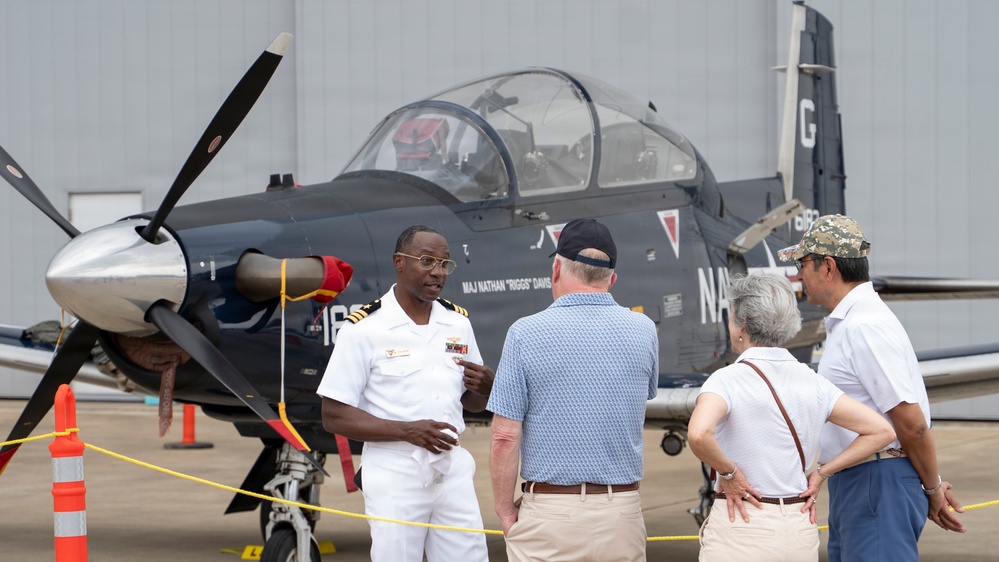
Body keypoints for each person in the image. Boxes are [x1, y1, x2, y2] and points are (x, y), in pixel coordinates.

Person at [778, 214, 966, 562]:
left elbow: (910, 422)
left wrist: (933, 487)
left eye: (803, 264)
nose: (799, 274)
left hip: (875, 481)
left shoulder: (863, 327)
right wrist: (930, 480)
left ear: (828, 267)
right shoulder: (857, 322)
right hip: (866, 479)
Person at [316, 225, 493, 562]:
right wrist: (407, 430)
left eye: (445, 264)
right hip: (395, 469)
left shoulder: (457, 324)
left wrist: (487, 388)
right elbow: (333, 414)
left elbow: (470, 401)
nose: (438, 272)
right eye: (427, 261)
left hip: (451, 466)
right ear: (399, 261)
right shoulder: (364, 329)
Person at [688, 273, 895, 562]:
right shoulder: (814, 381)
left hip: (743, 525)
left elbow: (698, 434)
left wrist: (729, 473)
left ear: (742, 326)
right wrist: (822, 473)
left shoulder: (726, 380)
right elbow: (882, 431)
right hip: (799, 530)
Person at [488, 218, 658, 562]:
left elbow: (505, 437)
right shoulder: (645, 331)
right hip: (621, 513)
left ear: (556, 269)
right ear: (612, 279)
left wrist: (506, 513)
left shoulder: (524, 333)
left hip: (550, 515)